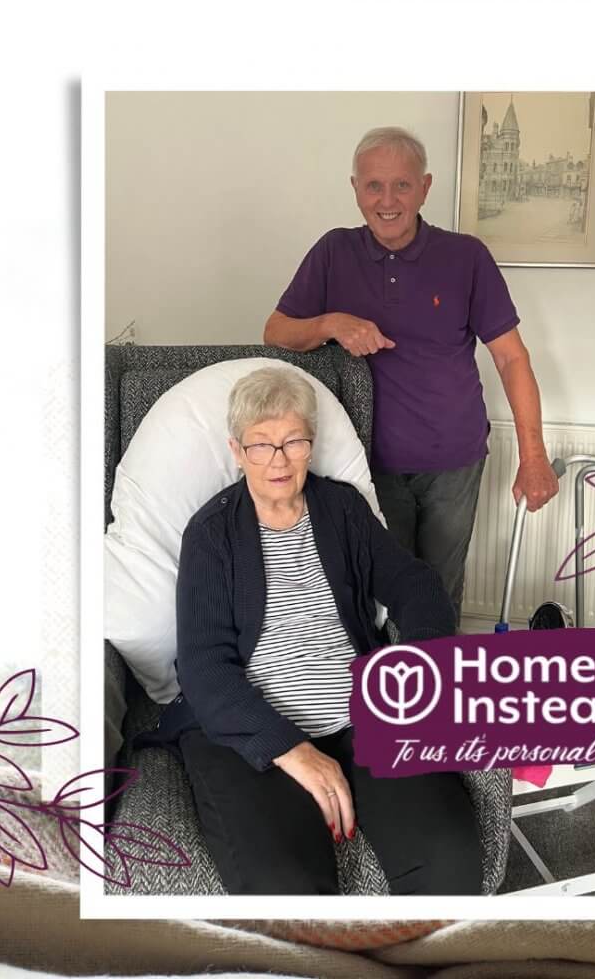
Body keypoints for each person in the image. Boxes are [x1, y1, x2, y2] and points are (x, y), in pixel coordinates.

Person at [167, 366, 483, 895]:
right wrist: (292, 749)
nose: (278, 459)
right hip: (252, 736)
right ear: (236, 450)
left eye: (293, 441)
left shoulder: (342, 510)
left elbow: (417, 585)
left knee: (448, 860)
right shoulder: (211, 535)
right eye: (261, 445)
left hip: (364, 717)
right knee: (284, 887)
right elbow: (203, 669)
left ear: (310, 445)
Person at [264, 126, 559, 627]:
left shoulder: (467, 257)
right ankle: (384, 695)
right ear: (355, 188)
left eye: (401, 185)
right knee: (374, 597)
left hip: (454, 463)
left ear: (424, 188)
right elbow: (276, 332)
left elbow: (512, 359)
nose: (387, 200)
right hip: (365, 463)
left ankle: (435, 696)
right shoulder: (334, 252)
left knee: (438, 595)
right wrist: (332, 323)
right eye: (374, 186)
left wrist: (534, 457)